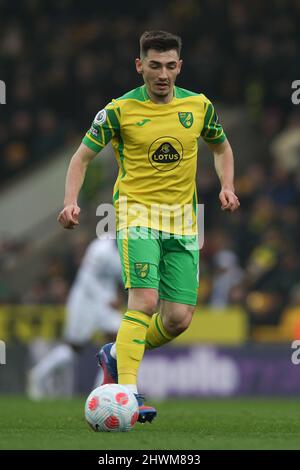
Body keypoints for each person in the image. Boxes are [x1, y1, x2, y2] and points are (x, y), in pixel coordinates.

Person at [57, 30, 240, 423]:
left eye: (170, 66)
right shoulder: (119, 111)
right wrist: (71, 201)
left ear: (180, 66)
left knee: (178, 319)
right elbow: (80, 158)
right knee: (143, 301)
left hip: (184, 223)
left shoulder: (199, 106)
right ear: (139, 66)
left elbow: (221, 147)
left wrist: (227, 185)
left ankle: (114, 353)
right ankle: (129, 393)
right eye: (154, 65)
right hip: (136, 217)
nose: (162, 74)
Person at [27, 237, 122, 399]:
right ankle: (38, 374)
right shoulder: (100, 248)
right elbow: (87, 278)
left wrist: (119, 296)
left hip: (107, 302)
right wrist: (108, 298)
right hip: (84, 300)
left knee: (118, 343)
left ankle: (101, 392)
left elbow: (123, 279)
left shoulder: (129, 252)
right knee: (74, 348)